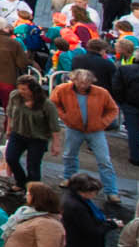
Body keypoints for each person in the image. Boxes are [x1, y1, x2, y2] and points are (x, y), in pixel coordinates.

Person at [50, 69, 121, 199]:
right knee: (69, 155)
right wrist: (65, 117)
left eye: (86, 82)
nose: (83, 85)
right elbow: (53, 103)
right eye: (80, 82)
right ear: (74, 80)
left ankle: (111, 191)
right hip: (74, 128)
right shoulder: (62, 89)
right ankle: (69, 177)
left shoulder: (101, 93)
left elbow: (113, 109)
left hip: (95, 130)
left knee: (104, 160)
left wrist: (102, 123)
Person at [0, 76, 61, 186]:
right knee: (11, 158)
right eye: (20, 88)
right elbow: (10, 113)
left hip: (38, 137)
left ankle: (33, 188)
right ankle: (21, 182)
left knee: (33, 165)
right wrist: (8, 129)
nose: (21, 92)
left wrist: (56, 144)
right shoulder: (15, 96)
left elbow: (54, 125)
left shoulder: (46, 104)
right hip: (18, 133)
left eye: (24, 89)